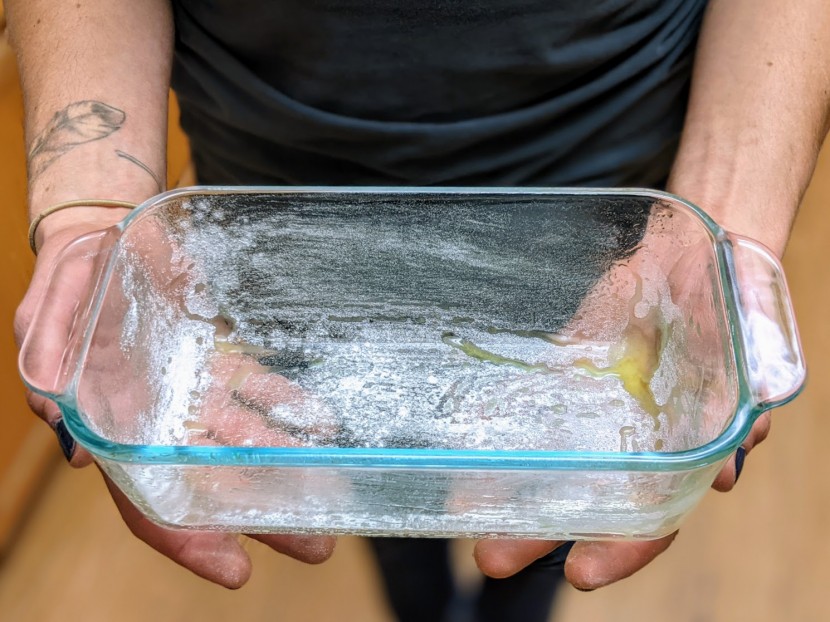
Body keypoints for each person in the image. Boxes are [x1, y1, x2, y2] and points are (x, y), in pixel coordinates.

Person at [7, 0, 829, 620]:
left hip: (611, 210)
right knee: (354, 450)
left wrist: (727, 226)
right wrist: (93, 202)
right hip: (280, 210)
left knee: (556, 485)